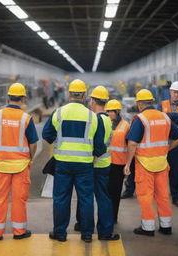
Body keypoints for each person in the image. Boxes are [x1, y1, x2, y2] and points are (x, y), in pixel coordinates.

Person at [42, 79, 106, 243]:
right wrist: (92, 155)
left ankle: (60, 233)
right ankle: (86, 234)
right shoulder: (93, 117)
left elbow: (47, 134)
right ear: (84, 95)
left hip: (62, 163)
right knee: (85, 199)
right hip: (85, 164)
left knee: (61, 198)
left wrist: (59, 143)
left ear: (69, 94)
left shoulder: (59, 113)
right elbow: (100, 145)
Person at [124, 89, 178, 236]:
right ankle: (166, 226)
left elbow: (132, 143)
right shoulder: (165, 118)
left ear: (139, 103)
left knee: (145, 196)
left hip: (144, 165)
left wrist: (127, 163)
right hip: (162, 164)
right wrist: (166, 149)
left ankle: (148, 227)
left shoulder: (141, 119)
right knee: (162, 196)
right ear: (152, 101)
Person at [0, 83, 38, 240]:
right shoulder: (25, 118)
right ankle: (19, 232)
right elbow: (33, 144)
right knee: (18, 199)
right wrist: (29, 158)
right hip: (21, 166)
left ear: (8, 97)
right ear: (23, 98)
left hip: (2, 164)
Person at [74, 87, 119, 240]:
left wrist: (90, 161)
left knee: (89, 197)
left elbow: (97, 145)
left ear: (92, 100)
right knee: (103, 197)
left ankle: (98, 230)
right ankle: (99, 229)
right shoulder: (106, 118)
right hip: (105, 164)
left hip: (95, 165)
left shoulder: (97, 119)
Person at [157, 81, 178, 207]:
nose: (176, 94)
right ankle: (160, 195)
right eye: (174, 92)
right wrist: (176, 116)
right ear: (170, 92)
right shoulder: (162, 104)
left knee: (175, 171)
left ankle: (176, 196)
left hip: (177, 142)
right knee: (159, 170)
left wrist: (168, 116)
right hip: (162, 142)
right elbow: (159, 117)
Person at [105, 99, 130, 223]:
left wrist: (128, 165)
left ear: (118, 111)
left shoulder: (126, 126)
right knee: (106, 193)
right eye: (107, 111)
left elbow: (130, 145)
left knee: (115, 193)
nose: (109, 113)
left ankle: (113, 217)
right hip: (105, 163)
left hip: (119, 164)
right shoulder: (105, 123)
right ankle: (106, 216)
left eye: (111, 111)